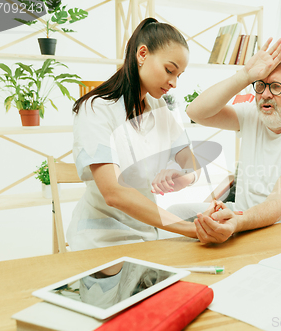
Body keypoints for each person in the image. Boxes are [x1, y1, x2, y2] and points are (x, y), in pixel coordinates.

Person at [168, 39, 281, 243]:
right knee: (173, 216)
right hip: (245, 218)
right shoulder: (252, 115)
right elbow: (196, 112)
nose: (265, 94)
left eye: (276, 87)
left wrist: (236, 222)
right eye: (261, 85)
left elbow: (278, 203)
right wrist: (245, 75)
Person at [68, 18, 200, 251]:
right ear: (142, 54)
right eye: (169, 70)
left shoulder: (159, 109)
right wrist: (190, 229)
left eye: (179, 75)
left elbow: (191, 161)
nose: (174, 83)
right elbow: (114, 193)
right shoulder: (96, 109)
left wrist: (184, 175)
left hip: (147, 235)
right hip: (102, 239)